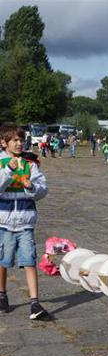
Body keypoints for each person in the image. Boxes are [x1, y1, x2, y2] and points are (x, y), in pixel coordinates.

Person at [0, 123, 49, 320]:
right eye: (15, 140)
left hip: (25, 222)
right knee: (3, 261)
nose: (20, 143)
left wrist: (31, 188)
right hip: (3, 222)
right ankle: (2, 295)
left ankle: (35, 303)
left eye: (21, 140)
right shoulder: (1, 163)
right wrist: (8, 171)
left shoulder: (30, 164)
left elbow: (43, 189)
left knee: (29, 260)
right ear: (4, 142)